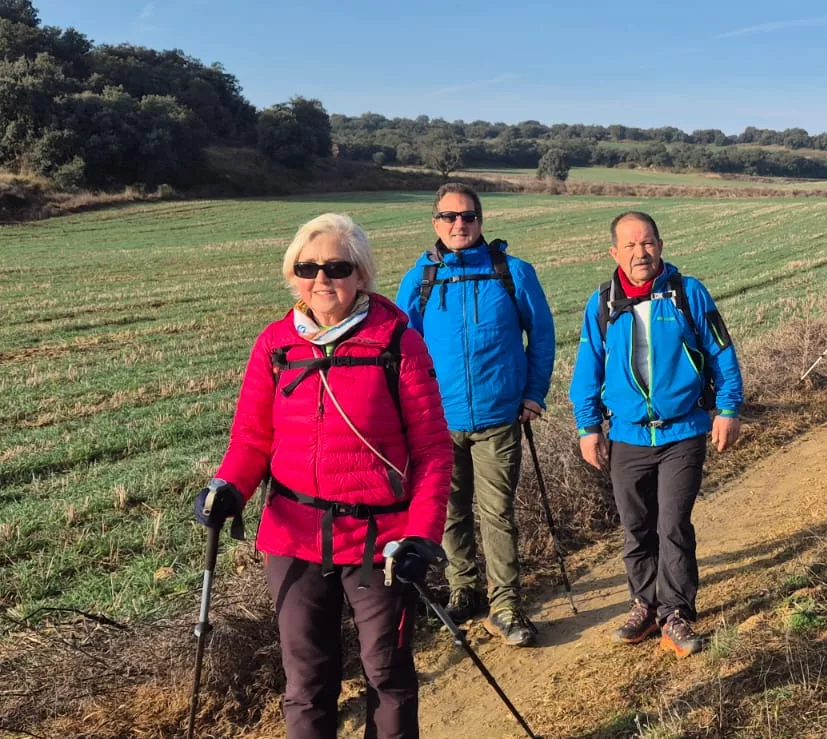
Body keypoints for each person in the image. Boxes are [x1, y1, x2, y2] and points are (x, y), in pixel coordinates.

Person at [193, 213, 452, 739]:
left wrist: (421, 534)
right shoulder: (275, 344)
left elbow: (431, 450)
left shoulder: (397, 341)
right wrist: (229, 489)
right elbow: (251, 439)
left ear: (361, 274)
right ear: (293, 275)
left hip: (380, 540)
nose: (321, 279)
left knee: (386, 674)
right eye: (308, 267)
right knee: (306, 681)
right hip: (294, 535)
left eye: (336, 266)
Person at [569, 211, 745, 658]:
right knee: (635, 527)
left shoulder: (689, 293)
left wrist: (728, 408)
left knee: (672, 523)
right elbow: (587, 368)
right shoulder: (602, 304)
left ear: (661, 246)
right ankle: (645, 604)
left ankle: (677, 611)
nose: (639, 253)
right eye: (629, 246)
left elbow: (722, 354)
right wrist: (589, 427)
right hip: (627, 434)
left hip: (683, 429)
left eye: (646, 243)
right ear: (614, 253)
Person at [396, 183, 556, 646]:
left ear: (481, 221)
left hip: (499, 416)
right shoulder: (420, 279)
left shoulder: (513, 272)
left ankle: (506, 605)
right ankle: (465, 590)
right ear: (435, 223)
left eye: (467, 217)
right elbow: (402, 351)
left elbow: (541, 336)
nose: (458, 225)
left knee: (497, 513)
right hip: (437, 422)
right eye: (448, 217)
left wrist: (533, 394)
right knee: (449, 512)